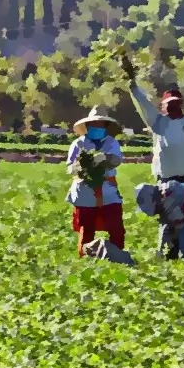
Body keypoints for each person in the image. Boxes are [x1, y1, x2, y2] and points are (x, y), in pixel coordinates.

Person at [122, 56, 184, 260]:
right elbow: (143, 103)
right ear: (163, 106)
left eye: (175, 103)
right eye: (168, 104)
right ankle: (169, 252)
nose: (172, 107)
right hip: (166, 180)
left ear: (181, 104)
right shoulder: (158, 122)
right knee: (167, 218)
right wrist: (132, 83)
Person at [65, 107, 127, 256]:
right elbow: (69, 168)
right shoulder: (78, 144)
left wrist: (105, 158)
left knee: (116, 227)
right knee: (86, 228)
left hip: (108, 191)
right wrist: (80, 167)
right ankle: (86, 256)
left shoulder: (111, 143)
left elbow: (117, 159)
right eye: (93, 125)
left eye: (100, 125)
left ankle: (117, 256)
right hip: (84, 192)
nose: (97, 128)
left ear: (105, 127)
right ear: (87, 126)